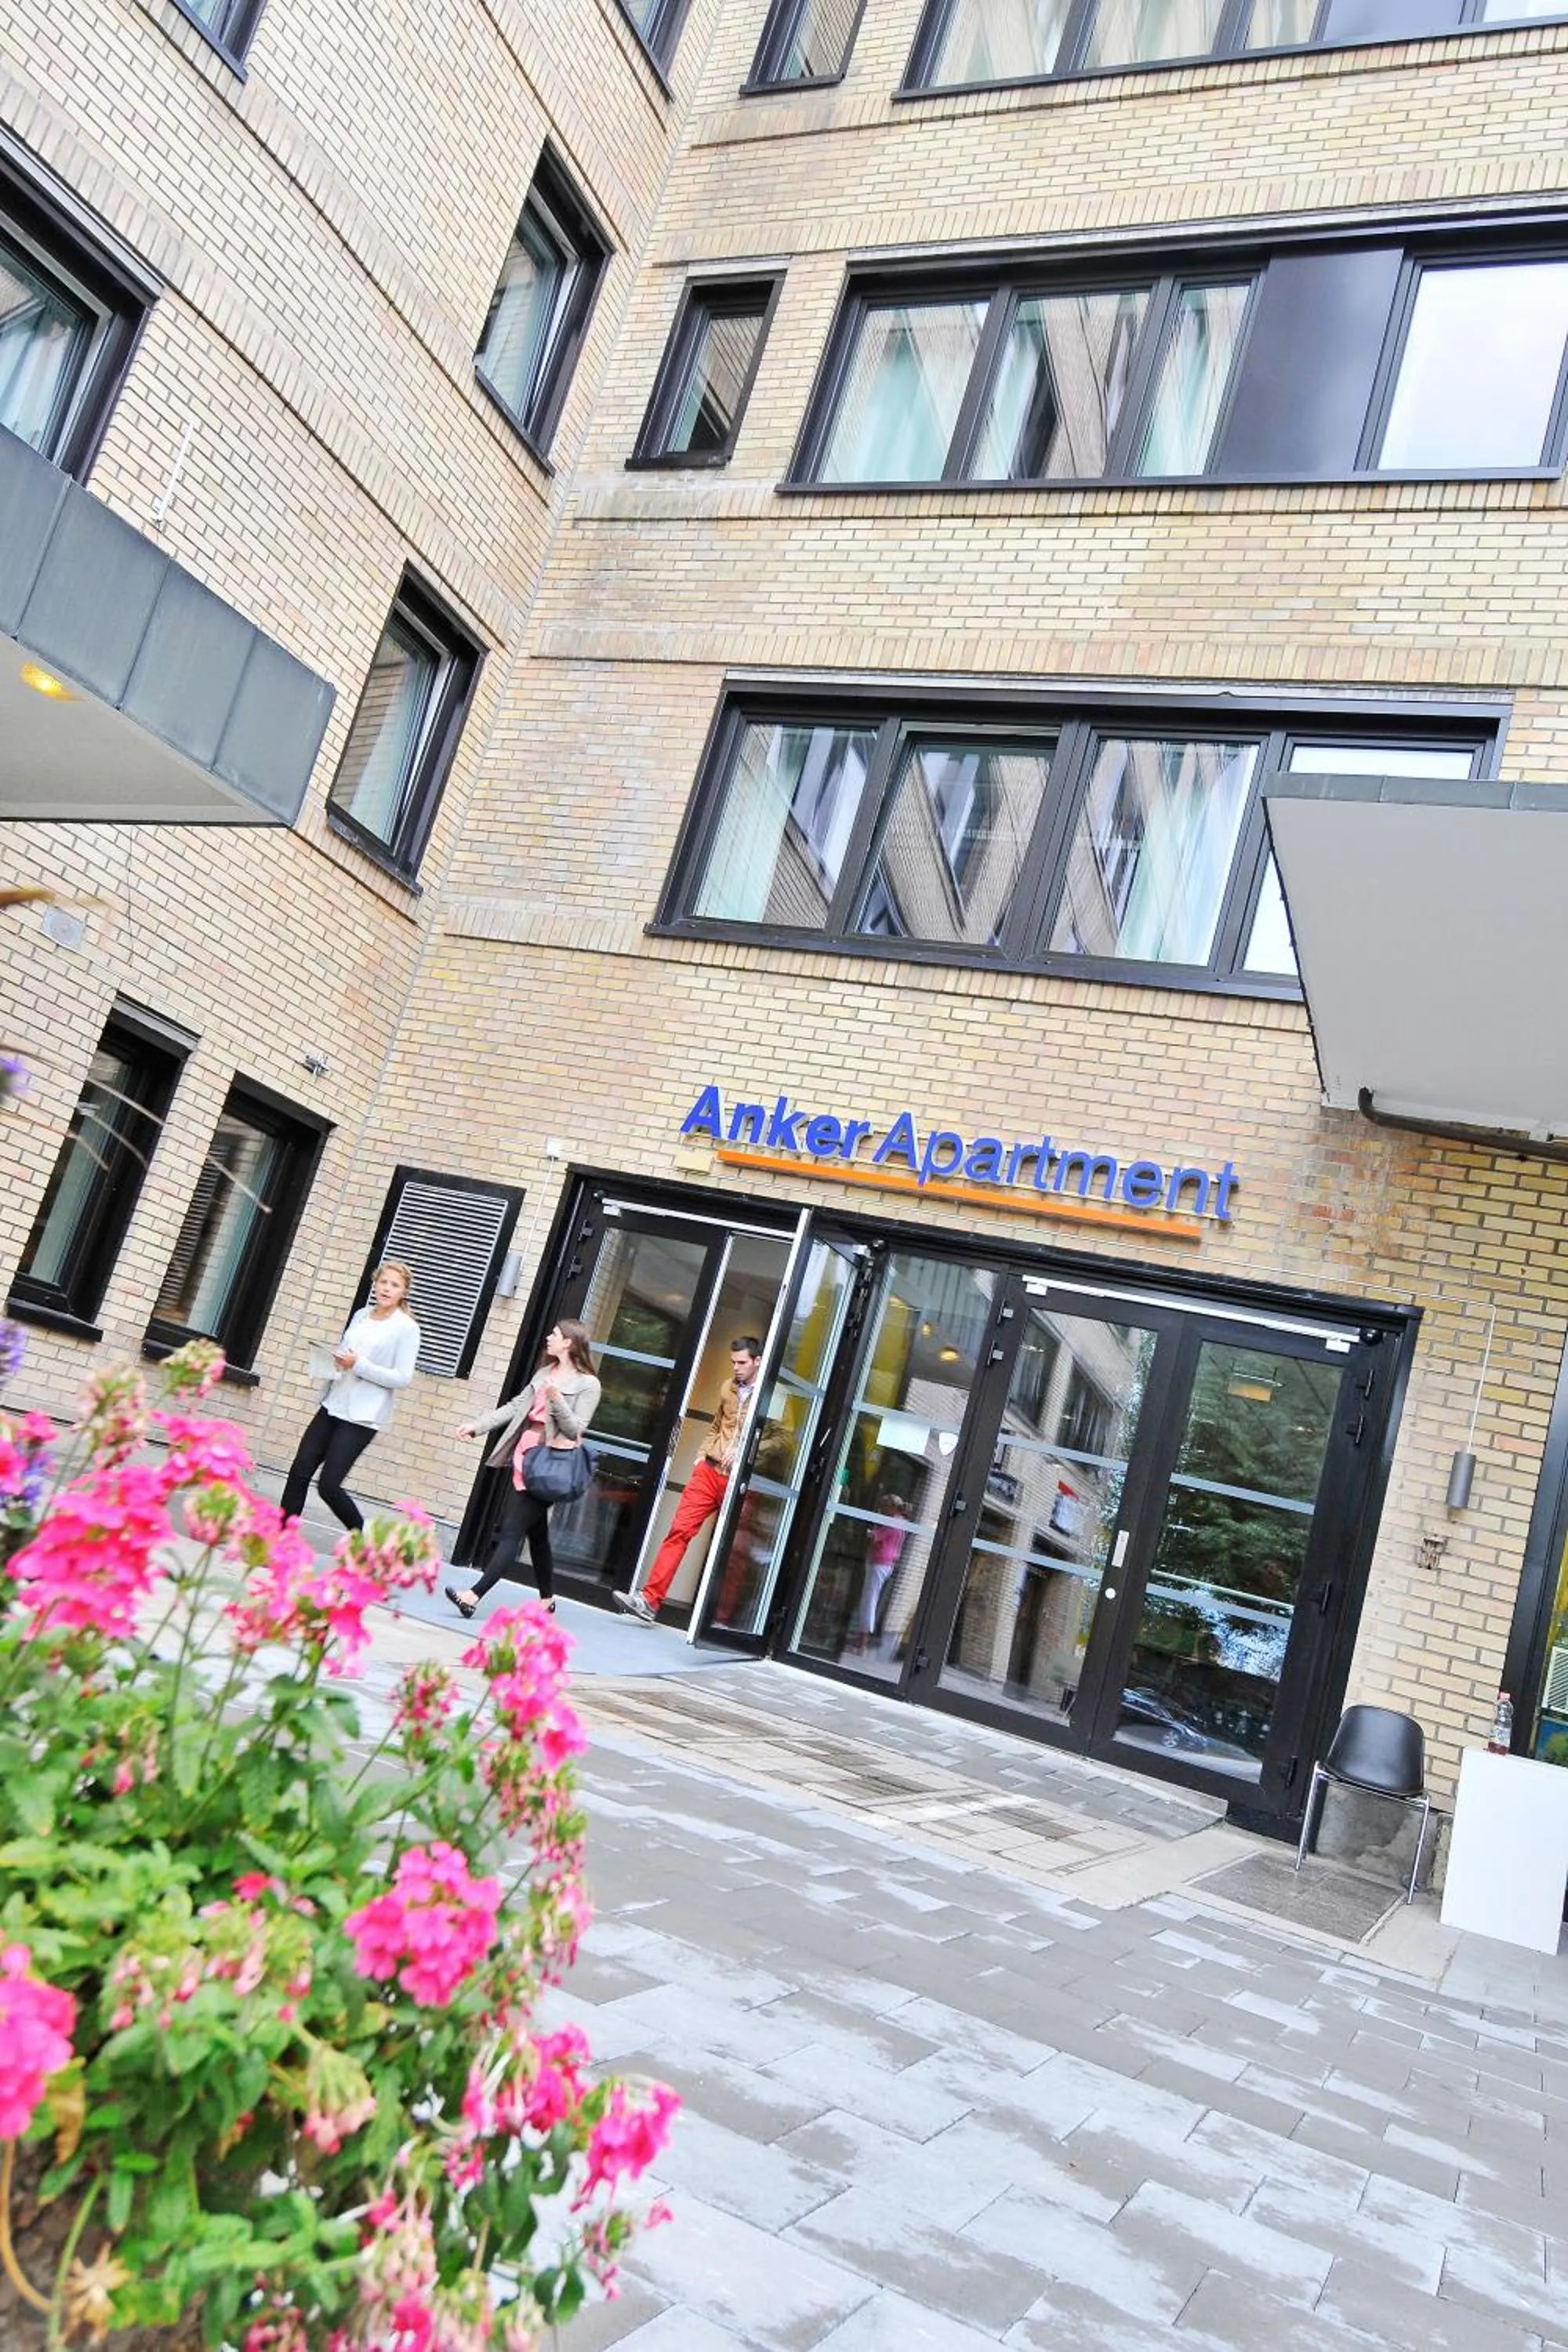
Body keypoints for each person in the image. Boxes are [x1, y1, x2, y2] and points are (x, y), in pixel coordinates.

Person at [445, 1319, 601, 1618]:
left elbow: (575, 1431)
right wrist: (476, 1426)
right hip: (524, 1453)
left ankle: (473, 1595)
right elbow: (516, 1407)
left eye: (554, 1334)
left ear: (569, 1342)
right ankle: (546, 1600)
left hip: (549, 1462)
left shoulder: (588, 1384)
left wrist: (557, 1399)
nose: (548, 1337)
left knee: (511, 1532)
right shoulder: (545, 1372)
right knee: (537, 1533)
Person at [615, 1334, 762, 1625]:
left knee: (734, 1551)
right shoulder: (727, 1388)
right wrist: (700, 1456)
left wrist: (746, 1454)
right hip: (708, 1473)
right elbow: (717, 1426)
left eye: (742, 1362)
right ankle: (649, 1601)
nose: (736, 1368)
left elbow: (781, 1440)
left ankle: (723, 1623)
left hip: (739, 1480)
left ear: (758, 1361)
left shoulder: (772, 1394)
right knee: (679, 1532)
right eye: (733, 1362)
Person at [280, 1260, 420, 1534]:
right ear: (375, 1284)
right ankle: (279, 1542)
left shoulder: (406, 1328)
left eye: (394, 1285)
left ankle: (366, 1538)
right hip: (333, 1404)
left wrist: (358, 1365)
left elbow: (402, 1378)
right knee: (299, 1471)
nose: (387, 1289)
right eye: (383, 1282)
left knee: (329, 1486)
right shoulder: (361, 1315)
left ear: (404, 1291)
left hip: (362, 1416)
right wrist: (333, 1361)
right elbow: (347, 1354)